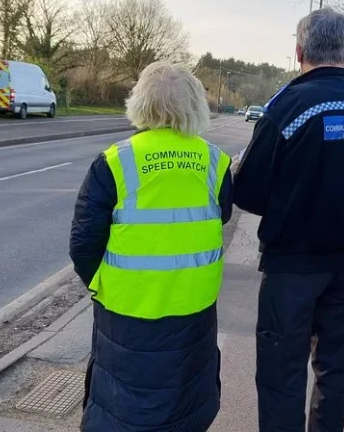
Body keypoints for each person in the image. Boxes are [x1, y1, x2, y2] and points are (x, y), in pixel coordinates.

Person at [233, 8, 344, 432]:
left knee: (281, 376)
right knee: (334, 373)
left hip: (291, 270)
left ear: (299, 50)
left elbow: (247, 191)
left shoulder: (287, 108)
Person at [69, 61, 233, 432]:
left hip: (126, 313)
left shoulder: (114, 162)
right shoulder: (214, 162)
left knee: (123, 409)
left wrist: (106, 285)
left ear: (140, 101)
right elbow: (217, 220)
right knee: (183, 408)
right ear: (196, 106)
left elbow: (83, 246)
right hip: (193, 311)